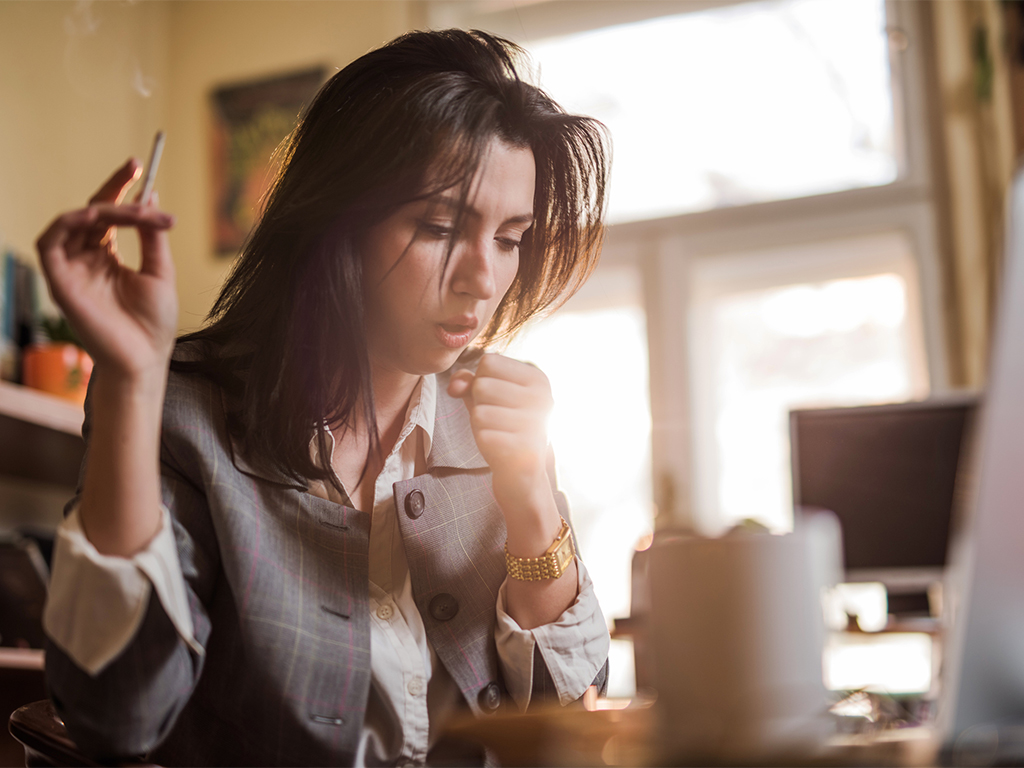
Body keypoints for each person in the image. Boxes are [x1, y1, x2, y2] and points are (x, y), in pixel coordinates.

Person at [35, 28, 611, 767]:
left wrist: (532, 499)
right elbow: (117, 716)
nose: (483, 278)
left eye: (510, 237)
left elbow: (574, 710)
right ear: (338, 223)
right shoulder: (185, 415)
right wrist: (131, 379)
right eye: (439, 226)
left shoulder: (498, 421)